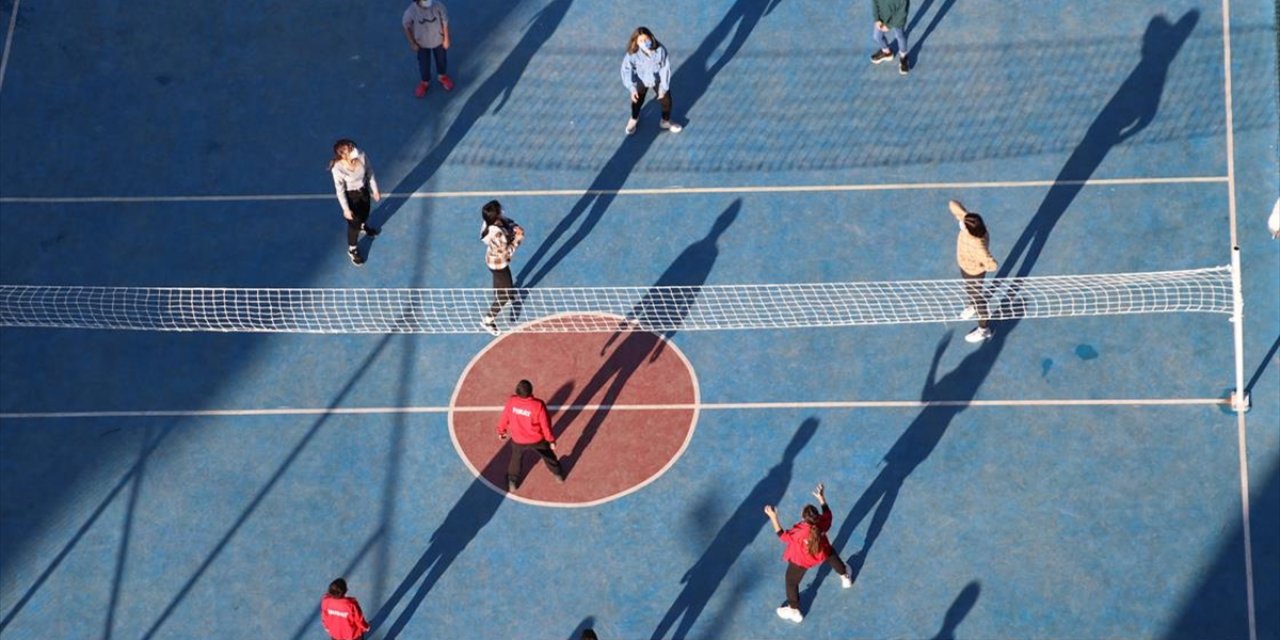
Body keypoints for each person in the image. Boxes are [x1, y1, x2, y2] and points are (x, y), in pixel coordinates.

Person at [764, 483, 853, 624]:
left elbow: (783, 536)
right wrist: (822, 498)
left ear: (803, 517)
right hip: (821, 551)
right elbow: (828, 515)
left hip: (802, 561)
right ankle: (845, 576)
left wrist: (773, 517)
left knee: (791, 582)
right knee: (830, 553)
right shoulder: (822, 522)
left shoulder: (800, 531)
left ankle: (794, 611)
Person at [497, 379, 564, 492]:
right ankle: (558, 474)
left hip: (518, 439)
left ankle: (512, 481)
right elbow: (545, 425)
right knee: (548, 456)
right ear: (531, 391)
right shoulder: (538, 405)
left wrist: (501, 431)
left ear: (517, 391)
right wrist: (551, 440)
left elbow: (504, 418)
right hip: (537, 440)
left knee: (515, 459)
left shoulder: (511, 402)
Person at [950, 199, 998, 343]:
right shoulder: (971, 225)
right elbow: (952, 204)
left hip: (974, 272)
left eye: (964, 225)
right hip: (965, 266)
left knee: (978, 299)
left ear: (970, 231)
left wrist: (979, 267)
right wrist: (965, 215)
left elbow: (992, 265)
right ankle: (972, 306)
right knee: (970, 291)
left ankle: (984, 329)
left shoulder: (978, 246)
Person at [620, 27, 682, 135]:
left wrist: (663, 87)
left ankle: (665, 121)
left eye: (646, 40)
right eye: (640, 41)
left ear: (651, 38)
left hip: (657, 79)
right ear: (636, 42)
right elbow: (626, 69)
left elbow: (664, 68)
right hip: (641, 80)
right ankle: (634, 118)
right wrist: (632, 87)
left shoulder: (660, 50)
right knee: (636, 102)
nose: (644, 43)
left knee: (667, 102)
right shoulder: (632, 54)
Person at [329, 139, 382, 266]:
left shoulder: (362, 155)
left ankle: (363, 225)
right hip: (351, 197)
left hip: (363, 192)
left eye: (352, 146)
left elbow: (370, 172)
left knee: (365, 213)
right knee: (353, 225)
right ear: (341, 153)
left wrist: (375, 190)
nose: (354, 149)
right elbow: (340, 191)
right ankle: (352, 249)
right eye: (349, 148)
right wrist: (346, 209)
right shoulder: (337, 169)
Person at [480, 200, 524, 335]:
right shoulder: (497, 235)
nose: (503, 211)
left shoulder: (490, 222)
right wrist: (518, 239)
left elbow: (507, 221)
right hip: (498, 263)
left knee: (505, 280)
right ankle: (488, 320)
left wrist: (514, 226)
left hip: (493, 261)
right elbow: (507, 252)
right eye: (500, 210)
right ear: (496, 216)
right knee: (503, 296)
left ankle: (507, 293)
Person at [402, 0, 453, 98]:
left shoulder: (438, 6)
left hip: (438, 40)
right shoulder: (411, 12)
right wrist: (412, 43)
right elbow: (406, 26)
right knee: (424, 65)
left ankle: (442, 76)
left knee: (441, 60)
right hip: (422, 44)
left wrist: (446, 39)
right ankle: (425, 82)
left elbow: (445, 22)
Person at [869, 0, 910, 75]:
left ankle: (903, 57)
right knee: (877, 36)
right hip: (882, 17)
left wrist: (889, 25)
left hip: (898, 21)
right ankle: (887, 53)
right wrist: (876, 19)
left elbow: (901, 13)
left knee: (900, 36)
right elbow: (874, 2)